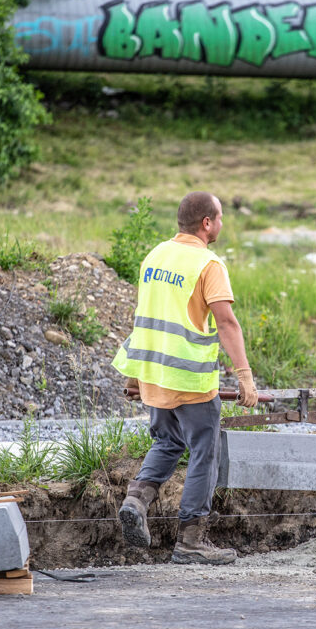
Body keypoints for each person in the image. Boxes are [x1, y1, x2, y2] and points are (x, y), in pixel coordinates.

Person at [111, 191, 258, 565]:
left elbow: (144, 318)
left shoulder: (155, 256)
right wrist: (245, 376)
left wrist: (133, 375)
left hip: (154, 375)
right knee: (205, 451)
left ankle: (136, 500)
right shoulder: (208, 264)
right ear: (207, 223)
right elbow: (226, 322)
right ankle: (192, 541)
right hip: (191, 379)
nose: (222, 224)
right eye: (220, 217)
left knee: (167, 440)